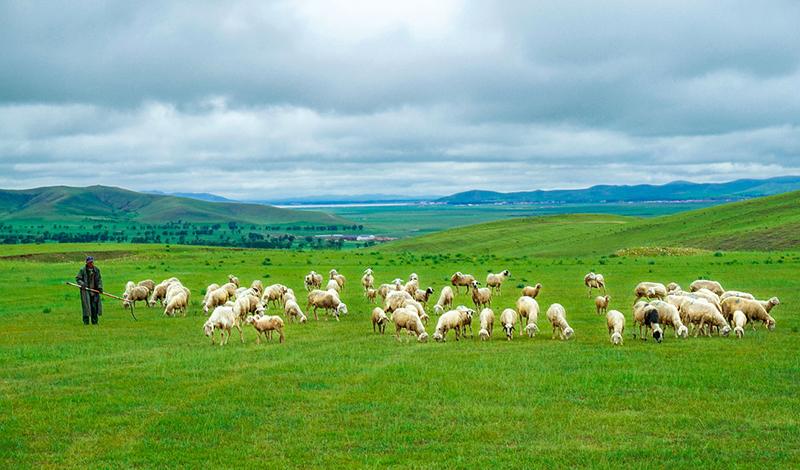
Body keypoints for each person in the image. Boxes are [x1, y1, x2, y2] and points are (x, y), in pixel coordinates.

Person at [76, 256, 103, 325]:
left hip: (94, 292)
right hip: (86, 292)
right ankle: (86, 322)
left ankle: (95, 322)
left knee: (94, 307)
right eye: (89, 262)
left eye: (92, 262)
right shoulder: (82, 270)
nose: (91, 264)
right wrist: (82, 284)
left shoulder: (96, 270)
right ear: (87, 263)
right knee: (86, 307)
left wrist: (100, 287)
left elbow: (99, 280)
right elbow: (78, 279)